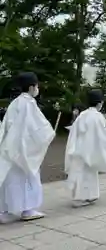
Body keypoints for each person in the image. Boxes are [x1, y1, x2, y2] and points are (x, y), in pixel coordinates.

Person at [0, 72, 55, 223]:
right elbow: (36, 128)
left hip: (10, 148)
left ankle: (4, 210)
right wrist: (49, 133)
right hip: (24, 149)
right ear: (31, 87)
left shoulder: (15, 103)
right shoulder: (29, 103)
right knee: (28, 178)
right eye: (37, 86)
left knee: (10, 180)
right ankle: (28, 209)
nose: (37, 89)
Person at [65, 89, 106, 207]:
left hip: (79, 149)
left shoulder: (82, 115)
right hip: (89, 149)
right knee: (87, 173)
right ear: (99, 103)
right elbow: (101, 134)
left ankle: (86, 195)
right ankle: (81, 198)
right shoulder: (97, 116)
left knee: (81, 173)